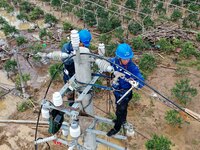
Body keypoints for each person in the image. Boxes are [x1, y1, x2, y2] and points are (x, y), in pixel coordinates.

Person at [107, 43, 144, 137]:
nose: (126, 60)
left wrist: (137, 83)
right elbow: (107, 62)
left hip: (125, 93)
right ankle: (122, 120)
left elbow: (140, 80)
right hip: (117, 91)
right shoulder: (115, 61)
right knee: (121, 108)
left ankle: (117, 127)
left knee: (120, 109)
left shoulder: (132, 67)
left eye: (128, 58)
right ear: (119, 57)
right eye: (124, 59)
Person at [61, 29, 92, 106]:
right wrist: (75, 56)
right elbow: (66, 62)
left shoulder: (84, 49)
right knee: (70, 93)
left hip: (81, 75)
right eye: (83, 44)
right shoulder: (66, 48)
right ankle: (71, 106)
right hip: (69, 76)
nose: (84, 46)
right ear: (78, 41)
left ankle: (82, 105)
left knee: (82, 92)